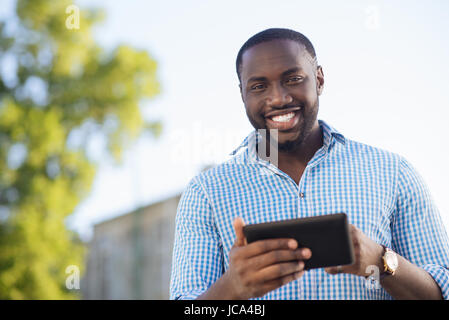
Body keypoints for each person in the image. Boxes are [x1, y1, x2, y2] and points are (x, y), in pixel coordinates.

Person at [169, 28, 449, 300]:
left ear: (319, 80)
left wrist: (379, 261)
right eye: (258, 86)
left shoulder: (392, 172)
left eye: (293, 79)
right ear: (243, 94)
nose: (278, 98)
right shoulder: (206, 192)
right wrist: (233, 288)